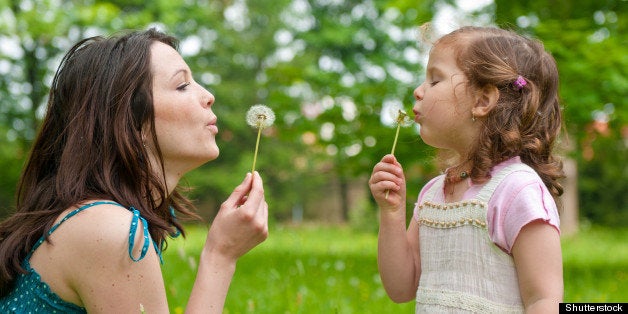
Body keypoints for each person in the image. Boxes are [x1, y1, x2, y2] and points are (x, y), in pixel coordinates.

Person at [0, 28, 268, 313]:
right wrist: (221, 255)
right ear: (130, 121)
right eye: (182, 85)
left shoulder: (94, 219)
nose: (208, 96)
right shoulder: (109, 229)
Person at [369, 26, 564, 313]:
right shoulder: (433, 194)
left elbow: (544, 299)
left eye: (435, 81)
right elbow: (401, 288)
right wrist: (391, 214)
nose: (418, 91)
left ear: (482, 101)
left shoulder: (517, 190)